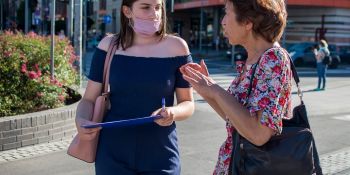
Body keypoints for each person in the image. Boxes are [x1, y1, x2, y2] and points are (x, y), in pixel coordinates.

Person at [75, 0, 194, 174]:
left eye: (158, 7)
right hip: (112, 154)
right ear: (127, 11)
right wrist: (81, 120)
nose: (154, 13)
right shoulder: (108, 46)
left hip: (161, 155)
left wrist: (172, 112)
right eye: (146, 7)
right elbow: (88, 99)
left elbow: (188, 103)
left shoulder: (178, 47)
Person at [180, 0, 292, 174]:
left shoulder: (273, 58)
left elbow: (258, 134)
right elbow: (233, 118)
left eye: (226, 13)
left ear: (248, 22)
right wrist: (207, 91)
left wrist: (216, 90)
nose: (223, 21)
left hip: (254, 166)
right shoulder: (253, 59)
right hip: (236, 163)